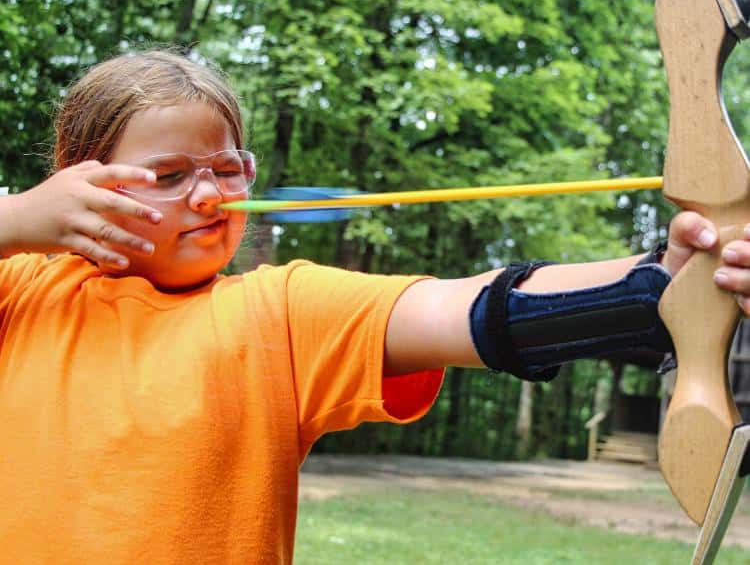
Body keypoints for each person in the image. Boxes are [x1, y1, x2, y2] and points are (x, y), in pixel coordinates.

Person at [0, 49, 747, 564]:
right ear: (82, 183)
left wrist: (666, 281)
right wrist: (22, 219)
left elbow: (474, 310)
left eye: (227, 168)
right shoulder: (24, 293)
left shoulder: (279, 313)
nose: (208, 195)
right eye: (166, 174)